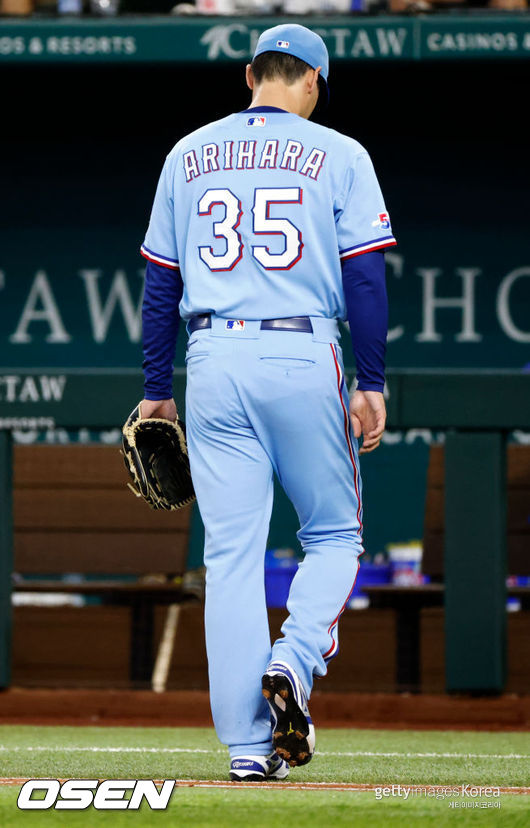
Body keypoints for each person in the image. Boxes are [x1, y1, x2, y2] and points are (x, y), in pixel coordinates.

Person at [139, 23, 396, 781]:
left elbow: (161, 284)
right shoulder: (341, 153)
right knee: (335, 535)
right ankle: (295, 657)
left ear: (251, 74)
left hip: (212, 356)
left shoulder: (188, 152)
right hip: (300, 348)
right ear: (312, 83)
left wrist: (158, 389)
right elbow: (367, 280)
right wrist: (371, 379)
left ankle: (252, 752)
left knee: (229, 562)